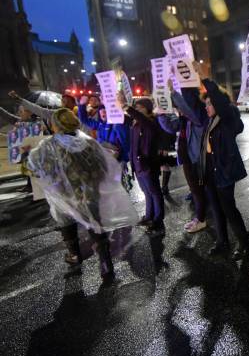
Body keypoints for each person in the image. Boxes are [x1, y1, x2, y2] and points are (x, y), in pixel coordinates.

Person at [27, 108, 137, 286]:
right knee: (96, 227)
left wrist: (27, 154)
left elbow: (34, 166)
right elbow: (105, 167)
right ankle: (106, 264)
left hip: (64, 196)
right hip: (89, 195)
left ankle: (74, 254)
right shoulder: (88, 142)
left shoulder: (49, 145)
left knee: (67, 225)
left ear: (56, 125)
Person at [193, 61, 249, 259]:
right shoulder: (210, 121)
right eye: (206, 103)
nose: (207, 106)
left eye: (210, 103)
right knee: (216, 208)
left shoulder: (228, 116)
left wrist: (205, 79)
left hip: (224, 171)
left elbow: (220, 102)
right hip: (210, 171)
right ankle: (222, 241)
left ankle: (245, 244)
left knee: (229, 209)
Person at [157, 79, 209, 233]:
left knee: (198, 190)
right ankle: (200, 217)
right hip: (186, 157)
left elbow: (188, 109)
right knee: (195, 190)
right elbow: (170, 127)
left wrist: (173, 93)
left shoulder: (197, 116)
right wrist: (161, 113)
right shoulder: (185, 119)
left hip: (197, 158)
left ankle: (201, 219)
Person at [117, 93, 165, 235]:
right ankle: (149, 216)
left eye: (139, 107)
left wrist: (127, 107)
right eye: (136, 107)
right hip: (138, 164)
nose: (136, 109)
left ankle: (158, 221)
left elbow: (142, 120)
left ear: (147, 109)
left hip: (148, 164)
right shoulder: (136, 123)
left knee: (155, 193)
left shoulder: (151, 122)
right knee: (147, 192)